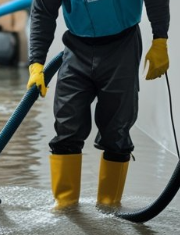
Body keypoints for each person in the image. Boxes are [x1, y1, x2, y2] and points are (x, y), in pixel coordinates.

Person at [27, 0, 170, 209]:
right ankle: (65, 205)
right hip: (77, 48)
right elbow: (43, 10)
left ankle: (109, 207)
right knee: (66, 124)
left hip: (122, 46)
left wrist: (160, 39)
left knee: (116, 129)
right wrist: (36, 62)